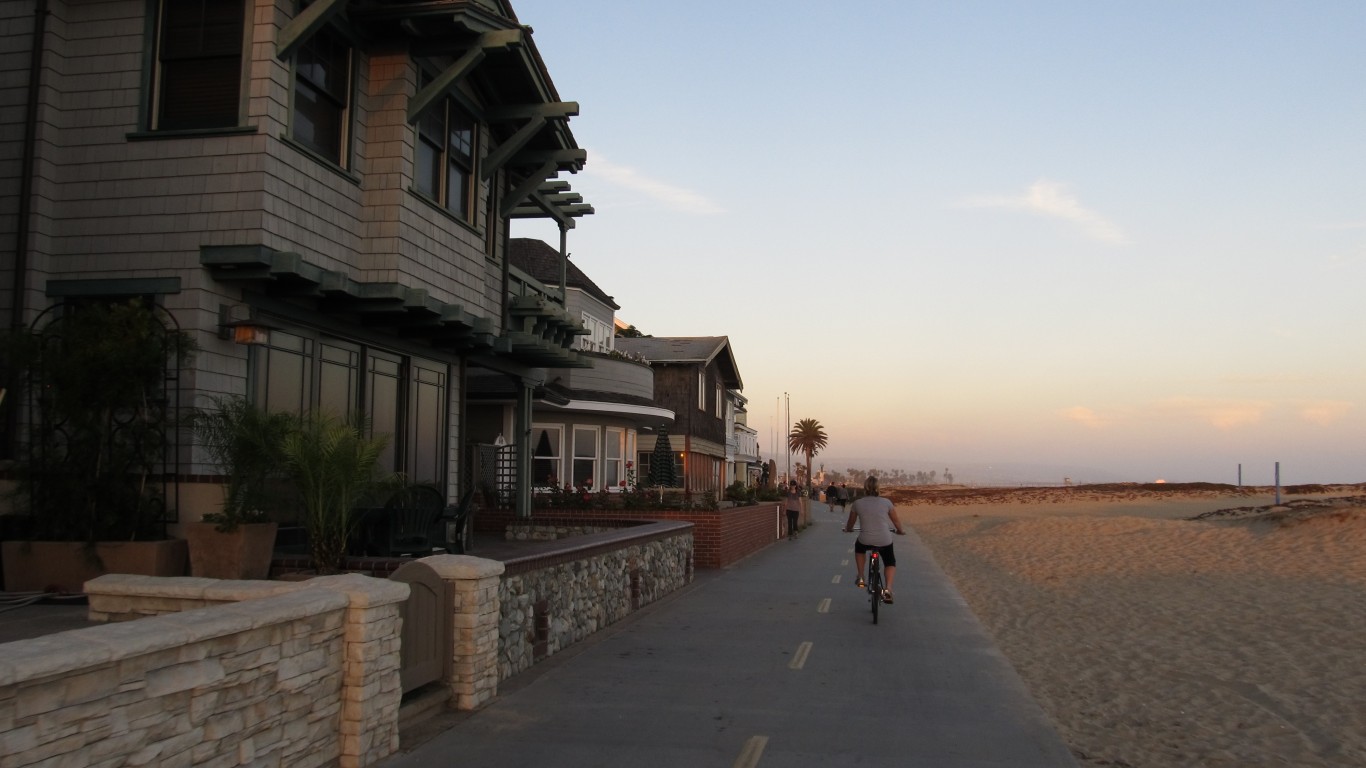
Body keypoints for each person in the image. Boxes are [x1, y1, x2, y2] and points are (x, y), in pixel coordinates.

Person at [843, 475, 905, 603]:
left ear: (865, 489)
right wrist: (900, 531)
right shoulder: (886, 502)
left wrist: (848, 529)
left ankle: (861, 577)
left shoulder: (857, 503)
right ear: (878, 488)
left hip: (865, 539)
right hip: (884, 539)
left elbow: (851, 523)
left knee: (859, 548)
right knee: (889, 561)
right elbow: (896, 521)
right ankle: (888, 589)